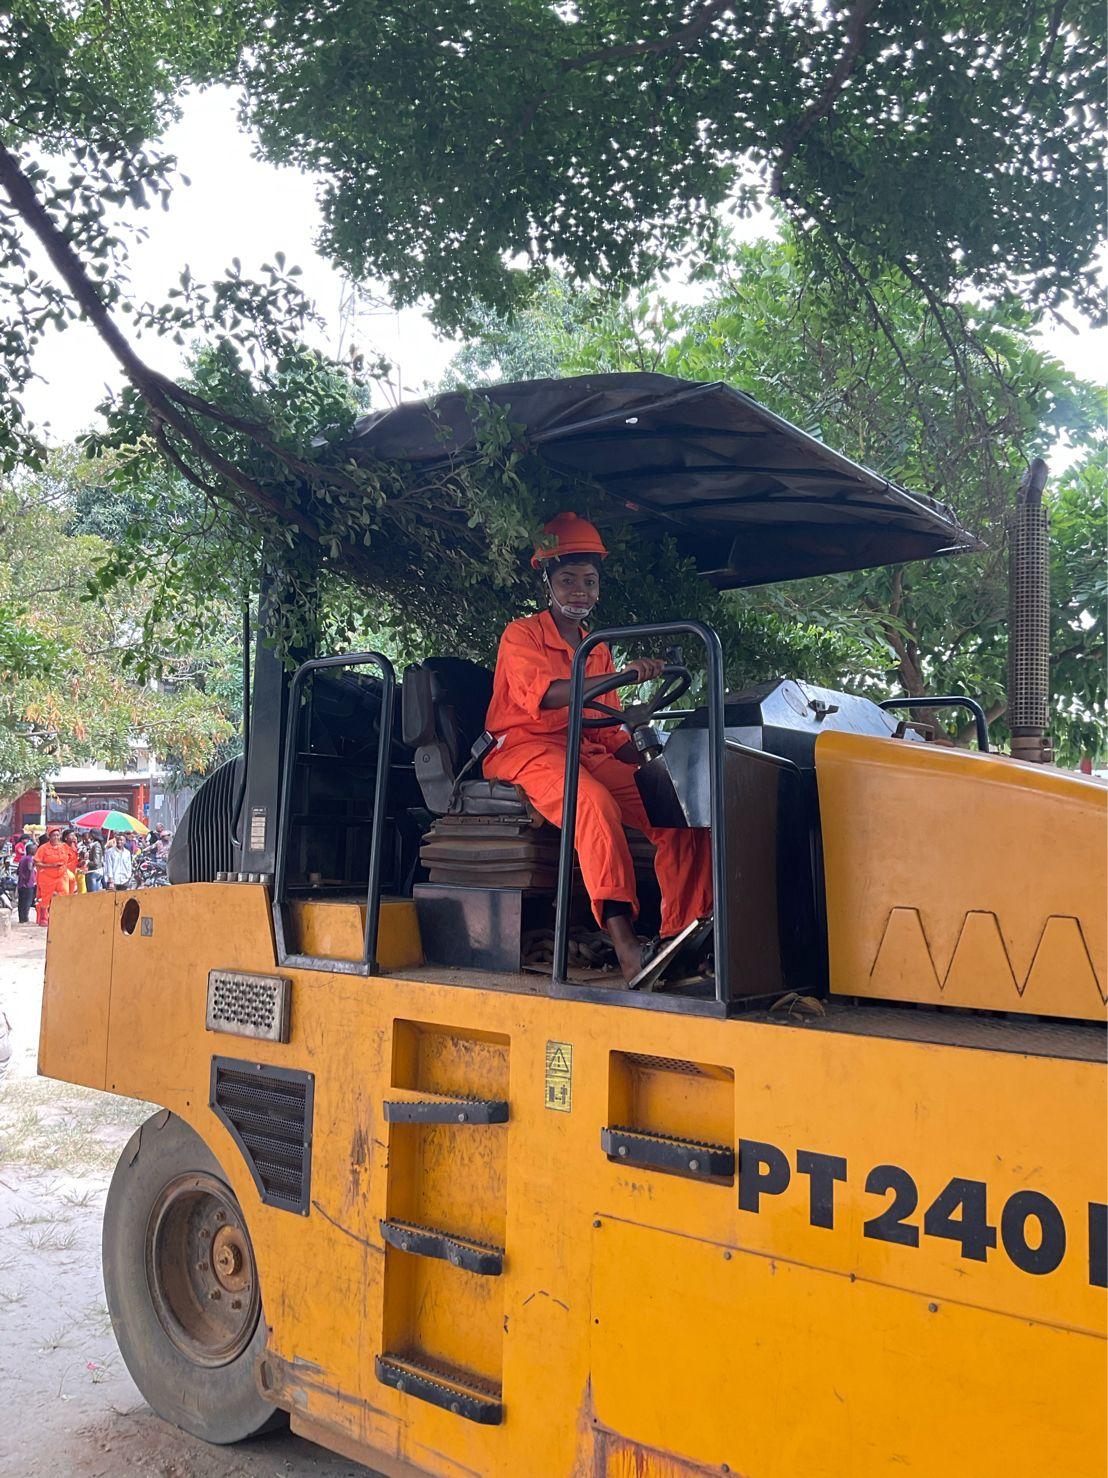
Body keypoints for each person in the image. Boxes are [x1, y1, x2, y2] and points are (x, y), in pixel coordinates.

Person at [483, 512, 713, 984]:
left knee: (677, 809)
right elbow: (545, 696)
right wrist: (621, 676)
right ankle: (628, 947)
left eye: (588, 581)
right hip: (528, 748)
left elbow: (606, 733)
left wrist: (640, 734)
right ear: (548, 582)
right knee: (592, 803)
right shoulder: (521, 634)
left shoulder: (598, 646)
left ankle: (680, 938)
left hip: (587, 750)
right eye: (567, 580)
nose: (579, 591)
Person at [33, 827, 71, 925]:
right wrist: (51, 866)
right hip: (47, 877)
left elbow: (71, 858)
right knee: (45, 898)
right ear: (49, 836)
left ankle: (62, 917)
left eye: (57, 835)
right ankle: (43, 919)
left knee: (65, 895)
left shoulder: (65, 847)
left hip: (62, 876)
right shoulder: (43, 848)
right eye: (53, 835)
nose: (56, 837)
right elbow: (36, 863)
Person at [16, 843, 36, 924]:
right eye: (35, 849)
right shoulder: (30, 859)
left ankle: (21, 918)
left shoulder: (22, 858)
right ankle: (25, 918)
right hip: (28, 884)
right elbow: (30, 868)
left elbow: (17, 871)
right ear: (31, 851)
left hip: (21, 883)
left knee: (21, 902)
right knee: (27, 902)